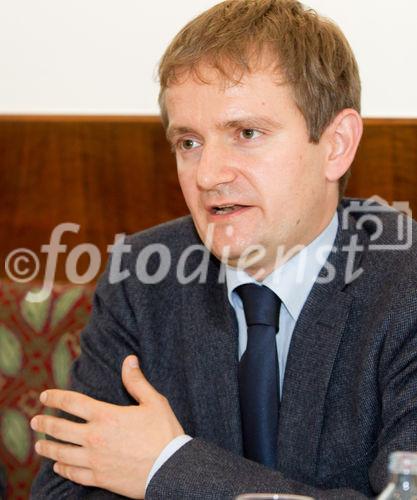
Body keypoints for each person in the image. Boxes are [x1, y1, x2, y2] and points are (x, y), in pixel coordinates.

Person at [31, 0, 417, 499]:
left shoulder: (406, 286)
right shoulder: (142, 277)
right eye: (188, 143)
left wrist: (169, 467)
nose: (208, 175)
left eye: (247, 133)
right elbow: (64, 491)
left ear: (337, 144)